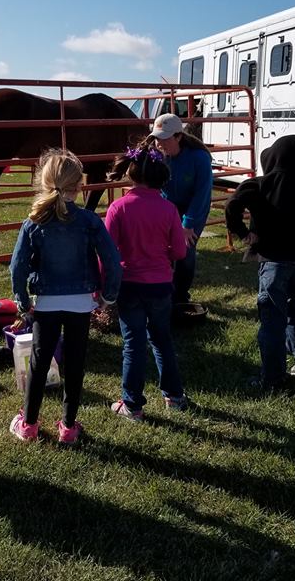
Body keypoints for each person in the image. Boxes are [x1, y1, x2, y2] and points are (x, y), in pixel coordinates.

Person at [8, 149, 121, 444]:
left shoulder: (33, 223)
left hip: (45, 302)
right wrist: (108, 296)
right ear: (79, 185)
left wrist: (22, 301)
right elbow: (111, 260)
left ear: (44, 182)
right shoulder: (89, 221)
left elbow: (17, 266)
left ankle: (29, 424)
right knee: (75, 362)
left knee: (39, 362)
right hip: (81, 302)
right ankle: (69, 426)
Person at [224, 135, 295, 393]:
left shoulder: (261, 184)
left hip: (274, 263)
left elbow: (232, 204)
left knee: (273, 320)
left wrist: (243, 233)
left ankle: (272, 379)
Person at [105, 142, 189, 420]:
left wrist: (103, 284)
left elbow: (106, 251)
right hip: (161, 284)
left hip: (129, 284)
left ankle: (132, 404)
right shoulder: (169, 209)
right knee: (162, 339)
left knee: (133, 342)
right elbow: (179, 251)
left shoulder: (118, 208)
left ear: (131, 173)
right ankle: (174, 396)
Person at [150, 113, 214, 307]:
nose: (159, 143)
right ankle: (164, 290)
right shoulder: (159, 156)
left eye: (164, 138)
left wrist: (188, 224)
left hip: (193, 207)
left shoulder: (199, 158)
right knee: (163, 247)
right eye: (156, 138)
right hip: (168, 206)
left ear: (178, 136)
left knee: (185, 249)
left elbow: (202, 193)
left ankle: (181, 295)